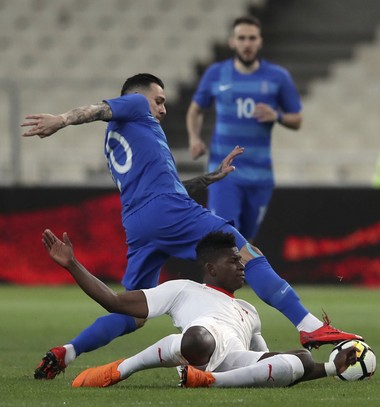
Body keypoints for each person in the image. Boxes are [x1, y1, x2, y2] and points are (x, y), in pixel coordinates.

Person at [21, 73, 361, 380]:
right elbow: (98, 109)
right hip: (167, 211)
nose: (163, 108)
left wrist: (214, 176)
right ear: (138, 97)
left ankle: (69, 351)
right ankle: (310, 327)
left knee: (131, 311)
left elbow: (167, 184)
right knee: (246, 252)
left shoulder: (122, 138)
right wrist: (61, 120)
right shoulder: (136, 106)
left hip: (140, 224)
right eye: (160, 100)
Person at [41, 229, 358, 388]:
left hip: (230, 362)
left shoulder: (250, 310)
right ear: (211, 268)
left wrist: (332, 367)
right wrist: (73, 265)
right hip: (199, 344)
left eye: (241, 260)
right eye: (233, 260)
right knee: (200, 339)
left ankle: (208, 381)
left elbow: (264, 361)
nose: (241, 265)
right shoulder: (182, 289)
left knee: (301, 358)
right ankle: (123, 368)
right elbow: (113, 301)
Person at [186, 15, 302, 242]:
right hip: (224, 172)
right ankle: (215, 279)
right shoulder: (216, 73)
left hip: (260, 176)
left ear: (260, 42)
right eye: (242, 38)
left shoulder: (277, 77)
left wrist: (276, 115)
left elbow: (296, 119)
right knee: (224, 236)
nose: (247, 44)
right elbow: (195, 109)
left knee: (245, 243)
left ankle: (233, 277)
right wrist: (193, 138)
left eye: (252, 38)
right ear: (232, 42)